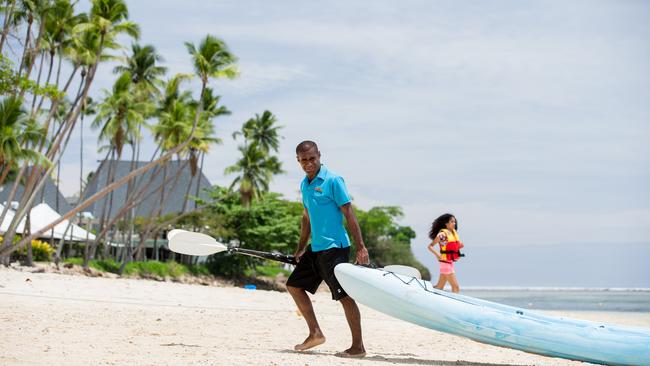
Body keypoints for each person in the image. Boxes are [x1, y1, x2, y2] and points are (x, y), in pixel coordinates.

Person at [286, 140, 370, 359]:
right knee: (294, 285)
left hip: (336, 248)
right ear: (298, 161)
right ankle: (315, 333)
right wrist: (301, 248)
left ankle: (358, 346)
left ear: (319, 155)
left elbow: (349, 215)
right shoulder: (305, 184)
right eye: (304, 160)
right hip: (317, 248)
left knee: (343, 296)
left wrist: (361, 247)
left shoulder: (333, 180)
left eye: (312, 158)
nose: (309, 163)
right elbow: (306, 218)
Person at [427, 213, 464, 293]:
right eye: (452, 222)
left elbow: (449, 247)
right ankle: (454, 304)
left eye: (455, 222)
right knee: (455, 287)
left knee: (439, 287)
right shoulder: (442, 235)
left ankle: (426, 292)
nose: (454, 223)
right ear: (446, 223)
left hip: (449, 262)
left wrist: (459, 247)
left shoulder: (453, 234)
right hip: (445, 263)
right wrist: (437, 255)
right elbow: (430, 246)